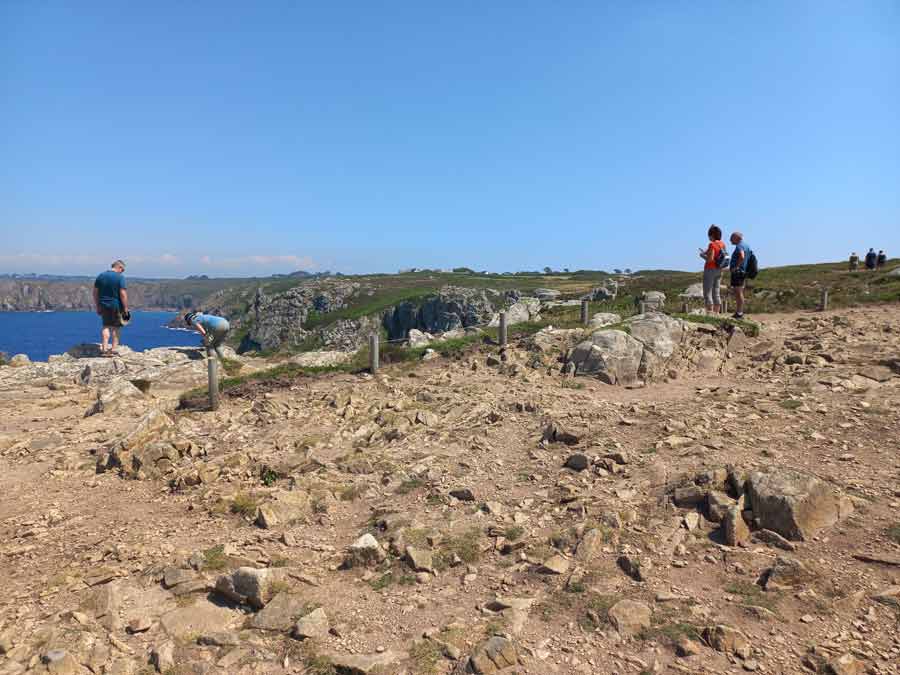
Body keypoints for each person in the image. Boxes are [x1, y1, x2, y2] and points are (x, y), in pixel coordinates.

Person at [93, 260, 129, 356]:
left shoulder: (101, 276)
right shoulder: (120, 277)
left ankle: (104, 349)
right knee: (116, 327)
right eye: (123, 270)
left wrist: (97, 305)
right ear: (119, 267)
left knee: (105, 326)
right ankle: (114, 349)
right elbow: (122, 294)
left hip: (103, 304)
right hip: (116, 305)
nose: (123, 272)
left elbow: (95, 293)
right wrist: (125, 308)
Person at [698, 224, 727, 313]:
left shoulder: (712, 244)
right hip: (719, 269)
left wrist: (702, 255)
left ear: (711, 235)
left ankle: (709, 312)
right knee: (716, 291)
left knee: (707, 292)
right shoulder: (722, 244)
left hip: (710, 269)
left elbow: (710, 259)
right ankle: (717, 312)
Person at [729, 231, 750, 319]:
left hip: (738, 272)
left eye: (732, 238)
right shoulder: (746, 245)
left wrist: (736, 267)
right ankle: (739, 312)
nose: (730, 240)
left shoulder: (739, 246)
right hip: (742, 271)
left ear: (737, 238)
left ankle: (739, 313)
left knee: (738, 292)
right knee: (739, 292)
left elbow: (741, 256)